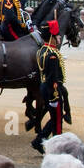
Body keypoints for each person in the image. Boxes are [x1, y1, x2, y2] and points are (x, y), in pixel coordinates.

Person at [31, 20, 69, 154]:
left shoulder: (42, 50)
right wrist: (55, 96)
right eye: (57, 36)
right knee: (58, 121)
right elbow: (53, 78)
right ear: (52, 37)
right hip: (52, 91)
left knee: (54, 119)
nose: (59, 38)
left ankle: (38, 141)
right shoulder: (52, 55)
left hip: (44, 87)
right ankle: (57, 149)